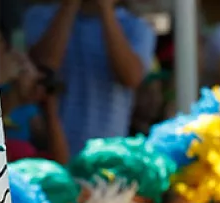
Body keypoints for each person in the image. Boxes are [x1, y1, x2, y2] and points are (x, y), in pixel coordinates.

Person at [24, 0, 156, 155]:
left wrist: (106, 10)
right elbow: (44, 66)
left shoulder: (136, 26)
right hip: (51, 152)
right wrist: (70, 5)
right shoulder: (40, 16)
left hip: (108, 154)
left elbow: (131, 78)